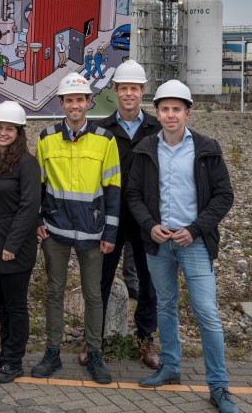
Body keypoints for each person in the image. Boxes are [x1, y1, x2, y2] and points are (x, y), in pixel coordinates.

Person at [126, 80, 239, 413]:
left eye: (177, 108)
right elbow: (133, 195)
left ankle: (219, 387)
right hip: (159, 243)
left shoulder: (207, 148)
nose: (170, 114)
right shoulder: (146, 148)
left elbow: (224, 196)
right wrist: (150, 226)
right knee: (165, 305)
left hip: (194, 242)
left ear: (187, 112)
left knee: (207, 313)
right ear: (157, 113)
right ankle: (171, 366)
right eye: (164, 109)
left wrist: (196, 229)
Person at [32, 73, 120, 384]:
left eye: (79, 100)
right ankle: (52, 353)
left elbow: (112, 189)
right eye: (69, 100)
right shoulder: (46, 138)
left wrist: (110, 233)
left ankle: (95, 354)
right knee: (54, 292)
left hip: (92, 232)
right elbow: (37, 186)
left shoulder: (105, 140)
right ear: (61, 103)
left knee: (93, 295)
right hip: (55, 230)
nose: (74, 105)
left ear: (87, 102)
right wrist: (38, 220)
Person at [96, 61, 161, 369]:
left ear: (142, 91)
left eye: (134, 88)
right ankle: (92, 339)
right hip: (112, 216)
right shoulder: (102, 130)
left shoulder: (157, 129)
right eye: (124, 88)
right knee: (102, 278)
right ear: (116, 92)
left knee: (149, 281)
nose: (129, 94)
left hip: (147, 218)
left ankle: (145, 339)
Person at [0, 101, 40, 384]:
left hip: (15, 244)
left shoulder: (27, 164)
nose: (3, 133)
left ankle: (15, 362)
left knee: (15, 306)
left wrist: (12, 245)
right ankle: (5, 354)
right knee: (0, 304)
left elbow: (29, 208)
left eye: (9, 128)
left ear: (19, 132)